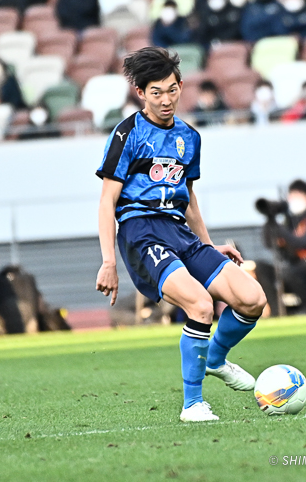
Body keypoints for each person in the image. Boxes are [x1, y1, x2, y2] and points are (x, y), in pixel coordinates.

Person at [95, 47, 267, 422]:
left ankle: (215, 359)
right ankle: (192, 404)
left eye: (172, 90)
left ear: (181, 87)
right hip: (141, 233)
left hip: (179, 232)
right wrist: (109, 261)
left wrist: (207, 245)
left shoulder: (189, 137)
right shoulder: (127, 134)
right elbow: (107, 201)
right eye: (156, 92)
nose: (166, 100)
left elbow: (188, 199)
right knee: (201, 306)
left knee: (253, 299)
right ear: (141, 93)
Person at [256, 179, 306, 315]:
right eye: (291, 195)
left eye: (298, 195)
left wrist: (280, 229)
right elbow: (269, 243)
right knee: (262, 268)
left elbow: (302, 243)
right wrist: (270, 219)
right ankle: (276, 311)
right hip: (293, 269)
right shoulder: (290, 222)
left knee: (291, 271)